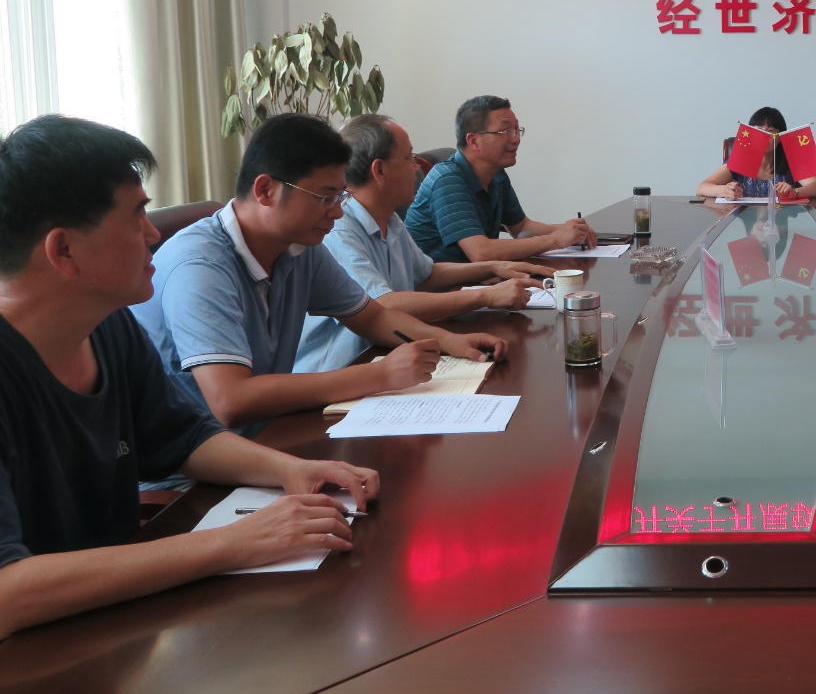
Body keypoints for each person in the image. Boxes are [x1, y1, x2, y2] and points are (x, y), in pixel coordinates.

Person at [0, 116, 378, 639]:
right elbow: (7, 594)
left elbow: (184, 437)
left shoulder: (108, 326)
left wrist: (291, 469)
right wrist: (235, 542)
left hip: (114, 624)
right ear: (64, 250)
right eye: (136, 216)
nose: (153, 234)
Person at [135, 114, 506, 432]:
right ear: (266, 190)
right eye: (325, 198)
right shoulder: (200, 266)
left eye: (340, 196)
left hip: (270, 432)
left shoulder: (300, 248)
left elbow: (372, 316)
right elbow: (230, 400)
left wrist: (450, 342)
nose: (338, 212)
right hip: (194, 471)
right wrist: (379, 375)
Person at [296, 114, 553, 373]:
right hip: (342, 369)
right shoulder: (338, 229)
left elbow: (426, 274)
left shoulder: (390, 218)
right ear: (379, 170)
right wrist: (485, 296)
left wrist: (494, 268)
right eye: (409, 157)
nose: (417, 167)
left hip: (392, 355)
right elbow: (382, 306)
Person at [405, 95, 596, 263]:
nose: (516, 139)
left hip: (476, 279)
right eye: (505, 131)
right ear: (474, 141)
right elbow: (481, 252)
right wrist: (555, 240)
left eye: (517, 130)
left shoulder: (496, 173)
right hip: (439, 288)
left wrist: (569, 231)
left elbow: (522, 228)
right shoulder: (448, 180)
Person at [696, 106, 816, 200]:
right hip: (745, 224)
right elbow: (701, 188)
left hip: (780, 222)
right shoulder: (741, 160)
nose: (763, 137)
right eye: (758, 130)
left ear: (780, 137)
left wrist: (795, 193)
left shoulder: (789, 159)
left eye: (770, 131)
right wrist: (724, 191)